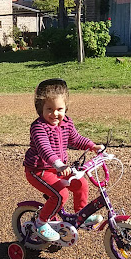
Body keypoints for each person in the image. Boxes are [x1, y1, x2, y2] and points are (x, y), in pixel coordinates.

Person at [23, 78, 105, 242]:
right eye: (49, 109)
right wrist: (59, 164)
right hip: (39, 170)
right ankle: (41, 222)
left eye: (59, 109)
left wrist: (92, 146)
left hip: (58, 169)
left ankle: (80, 216)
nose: (55, 114)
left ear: (66, 108)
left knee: (81, 183)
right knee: (61, 194)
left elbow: (75, 139)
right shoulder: (39, 127)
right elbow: (44, 148)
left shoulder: (66, 122)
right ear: (41, 109)